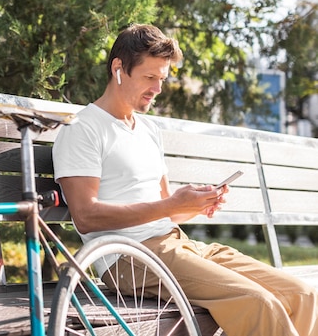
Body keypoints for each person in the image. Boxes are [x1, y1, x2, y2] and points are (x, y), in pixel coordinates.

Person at [52, 23, 318, 336]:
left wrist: (195, 204)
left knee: (303, 295)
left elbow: (169, 211)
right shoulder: (83, 128)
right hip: (128, 257)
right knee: (258, 303)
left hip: (178, 244)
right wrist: (170, 205)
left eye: (162, 79)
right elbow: (85, 217)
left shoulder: (147, 130)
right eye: (149, 77)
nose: (157, 88)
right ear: (118, 68)